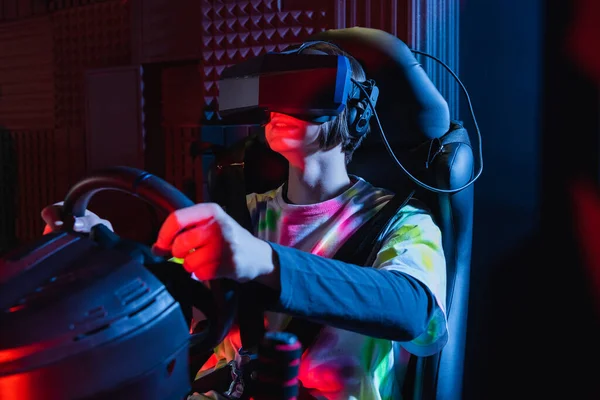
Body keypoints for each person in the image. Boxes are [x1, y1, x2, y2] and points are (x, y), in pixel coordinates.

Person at [42, 42, 447, 400]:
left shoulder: (402, 223)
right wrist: (105, 250)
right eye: (276, 91)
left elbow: (413, 309)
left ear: (355, 114)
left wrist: (265, 261)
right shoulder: (241, 213)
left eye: (306, 89)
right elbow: (176, 287)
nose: (281, 106)